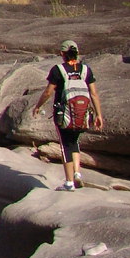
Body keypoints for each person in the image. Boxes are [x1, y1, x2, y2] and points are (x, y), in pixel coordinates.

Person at [32, 39, 104, 190]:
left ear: (62, 54)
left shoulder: (58, 70)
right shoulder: (85, 70)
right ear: (77, 52)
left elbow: (48, 92)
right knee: (75, 142)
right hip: (82, 114)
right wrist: (98, 115)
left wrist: (38, 106)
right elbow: (94, 94)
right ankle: (77, 173)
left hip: (63, 113)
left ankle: (69, 182)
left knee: (65, 146)